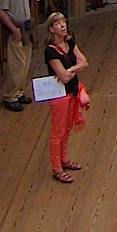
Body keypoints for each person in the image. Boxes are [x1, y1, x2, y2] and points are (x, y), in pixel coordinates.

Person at [42, 10, 88, 183]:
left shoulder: (70, 41)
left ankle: (64, 159)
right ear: (51, 29)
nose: (62, 26)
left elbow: (85, 62)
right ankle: (56, 168)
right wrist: (76, 68)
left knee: (67, 128)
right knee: (58, 131)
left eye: (63, 22)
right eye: (57, 24)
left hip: (72, 91)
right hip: (59, 95)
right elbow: (63, 76)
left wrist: (72, 69)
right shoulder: (50, 51)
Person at [0, 0, 34, 111]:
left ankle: (19, 92)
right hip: (16, 29)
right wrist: (14, 29)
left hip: (25, 27)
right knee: (17, 64)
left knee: (25, 61)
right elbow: (1, 12)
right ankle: (10, 95)